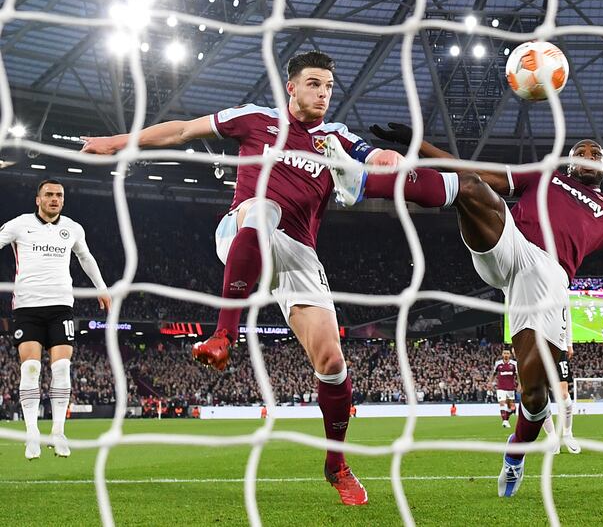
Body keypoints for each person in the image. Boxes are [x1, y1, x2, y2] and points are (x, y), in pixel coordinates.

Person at [328, 122, 603, 498]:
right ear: (570, 160)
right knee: (468, 187)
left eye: (596, 152)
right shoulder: (545, 176)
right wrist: (417, 143)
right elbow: (472, 169)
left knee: (535, 396)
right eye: (581, 149)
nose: (589, 155)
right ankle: (364, 180)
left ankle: (516, 455)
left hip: (548, 278)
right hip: (510, 245)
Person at [80, 50, 402, 506]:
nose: (323, 94)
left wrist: (386, 154)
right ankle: (223, 335)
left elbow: (371, 156)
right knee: (261, 209)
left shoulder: (336, 137)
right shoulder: (254, 120)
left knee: (331, 364)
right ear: (291, 87)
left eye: (329, 87)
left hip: (299, 256)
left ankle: (337, 464)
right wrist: (117, 142)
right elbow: (182, 130)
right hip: (243, 228)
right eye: (313, 84)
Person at [0, 179, 111, 460]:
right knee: (31, 370)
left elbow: (86, 257)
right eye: (48, 194)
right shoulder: (19, 224)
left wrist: (102, 288)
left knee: (62, 368)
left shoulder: (72, 228)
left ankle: (58, 432)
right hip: (27, 308)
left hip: (61, 306)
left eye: (59, 195)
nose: (54, 199)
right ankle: (32, 433)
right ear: (38, 199)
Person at [488, 348, 518, 428]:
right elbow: (494, 374)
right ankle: (504, 421)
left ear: (510, 355)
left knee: (510, 407)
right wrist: (490, 383)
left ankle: (507, 419)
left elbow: (518, 376)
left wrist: (520, 385)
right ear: (502, 354)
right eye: (504, 353)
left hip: (511, 388)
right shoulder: (498, 363)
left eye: (507, 353)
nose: (506, 355)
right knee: (502, 403)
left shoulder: (514, 364)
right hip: (501, 387)